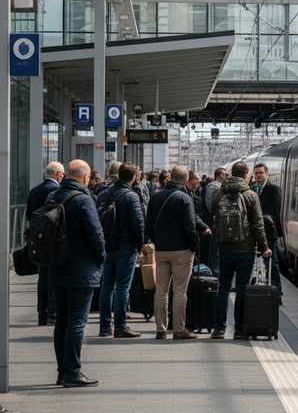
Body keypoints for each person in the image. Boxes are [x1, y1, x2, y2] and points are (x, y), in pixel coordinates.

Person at [50, 159, 105, 387]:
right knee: (77, 322)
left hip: (57, 267)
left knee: (61, 320)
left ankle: (62, 371)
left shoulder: (53, 197)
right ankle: (73, 371)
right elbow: (95, 234)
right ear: (84, 177)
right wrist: (102, 258)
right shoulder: (83, 200)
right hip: (82, 270)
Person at [146, 165, 210, 340]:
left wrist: (157, 241)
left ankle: (160, 329)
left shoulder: (156, 196)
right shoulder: (184, 198)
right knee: (180, 291)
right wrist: (194, 247)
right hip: (181, 250)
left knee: (161, 290)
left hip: (161, 250)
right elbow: (190, 227)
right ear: (184, 180)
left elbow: (148, 224)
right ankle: (179, 329)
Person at [210, 162, 269, 340]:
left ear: (230, 174)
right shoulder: (251, 195)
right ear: (246, 174)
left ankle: (219, 329)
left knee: (223, 288)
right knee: (242, 289)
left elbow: (212, 213)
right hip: (246, 249)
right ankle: (240, 329)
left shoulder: (220, 192)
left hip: (224, 248)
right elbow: (258, 224)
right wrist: (264, 246)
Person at [96, 163, 145, 339]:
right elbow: (138, 224)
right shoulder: (131, 196)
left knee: (106, 287)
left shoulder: (102, 194)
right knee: (123, 287)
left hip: (107, 246)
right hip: (126, 247)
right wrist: (141, 247)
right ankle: (120, 326)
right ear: (133, 177)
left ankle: (104, 327)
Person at [26, 161, 65, 325]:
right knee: (53, 276)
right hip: (53, 240)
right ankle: (52, 312)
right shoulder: (57, 191)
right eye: (62, 175)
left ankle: (42, 312)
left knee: (42, 276)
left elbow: (29, 215)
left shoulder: (34, 191)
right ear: (57, 174)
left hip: (37, 239)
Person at [251, 162, 283, 295]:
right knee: (255, 260)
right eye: (256, 173)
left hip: (269, 232)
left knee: (272, 262)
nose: (258, 175)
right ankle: (256, 285)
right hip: (254, 232)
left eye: (260, 173)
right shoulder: (252, 189)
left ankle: (276, 290)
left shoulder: (274, 189)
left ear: (266, 174)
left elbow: (274, 212)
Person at [203, 167, 228, 275]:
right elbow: (211, 206)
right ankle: (213, 274)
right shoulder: (214, 187)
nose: (226, 177)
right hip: (214, 224)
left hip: (215, 224)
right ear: (219, 175)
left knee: (215, 252)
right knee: (214, 252)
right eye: (225, 175)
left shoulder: (216, 186)